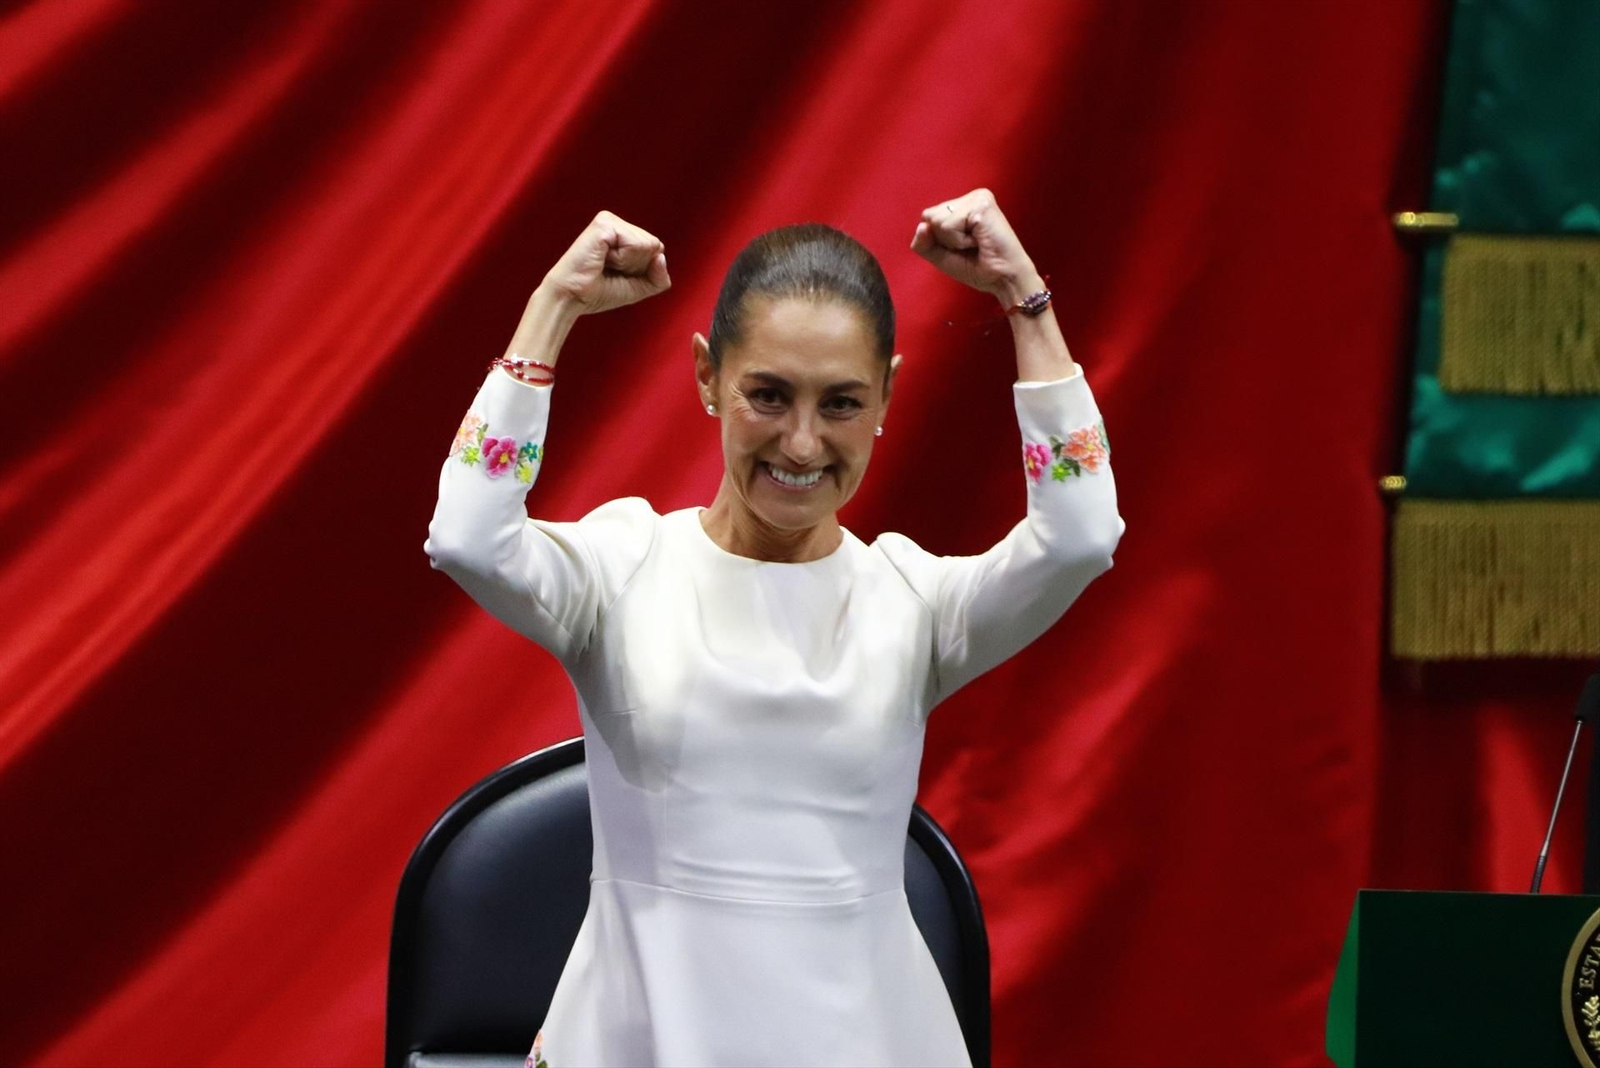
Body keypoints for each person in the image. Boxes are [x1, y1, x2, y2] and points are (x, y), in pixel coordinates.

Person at [424, 188, 1124, 1068]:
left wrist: (1026, 299)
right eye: (767, 394)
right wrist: (552, 306)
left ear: (887, 398)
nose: (800, 444)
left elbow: (1082, 535)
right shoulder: (623, 567)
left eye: (839, 403)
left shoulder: (912, 601)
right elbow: (467, 536)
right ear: (707, 376)